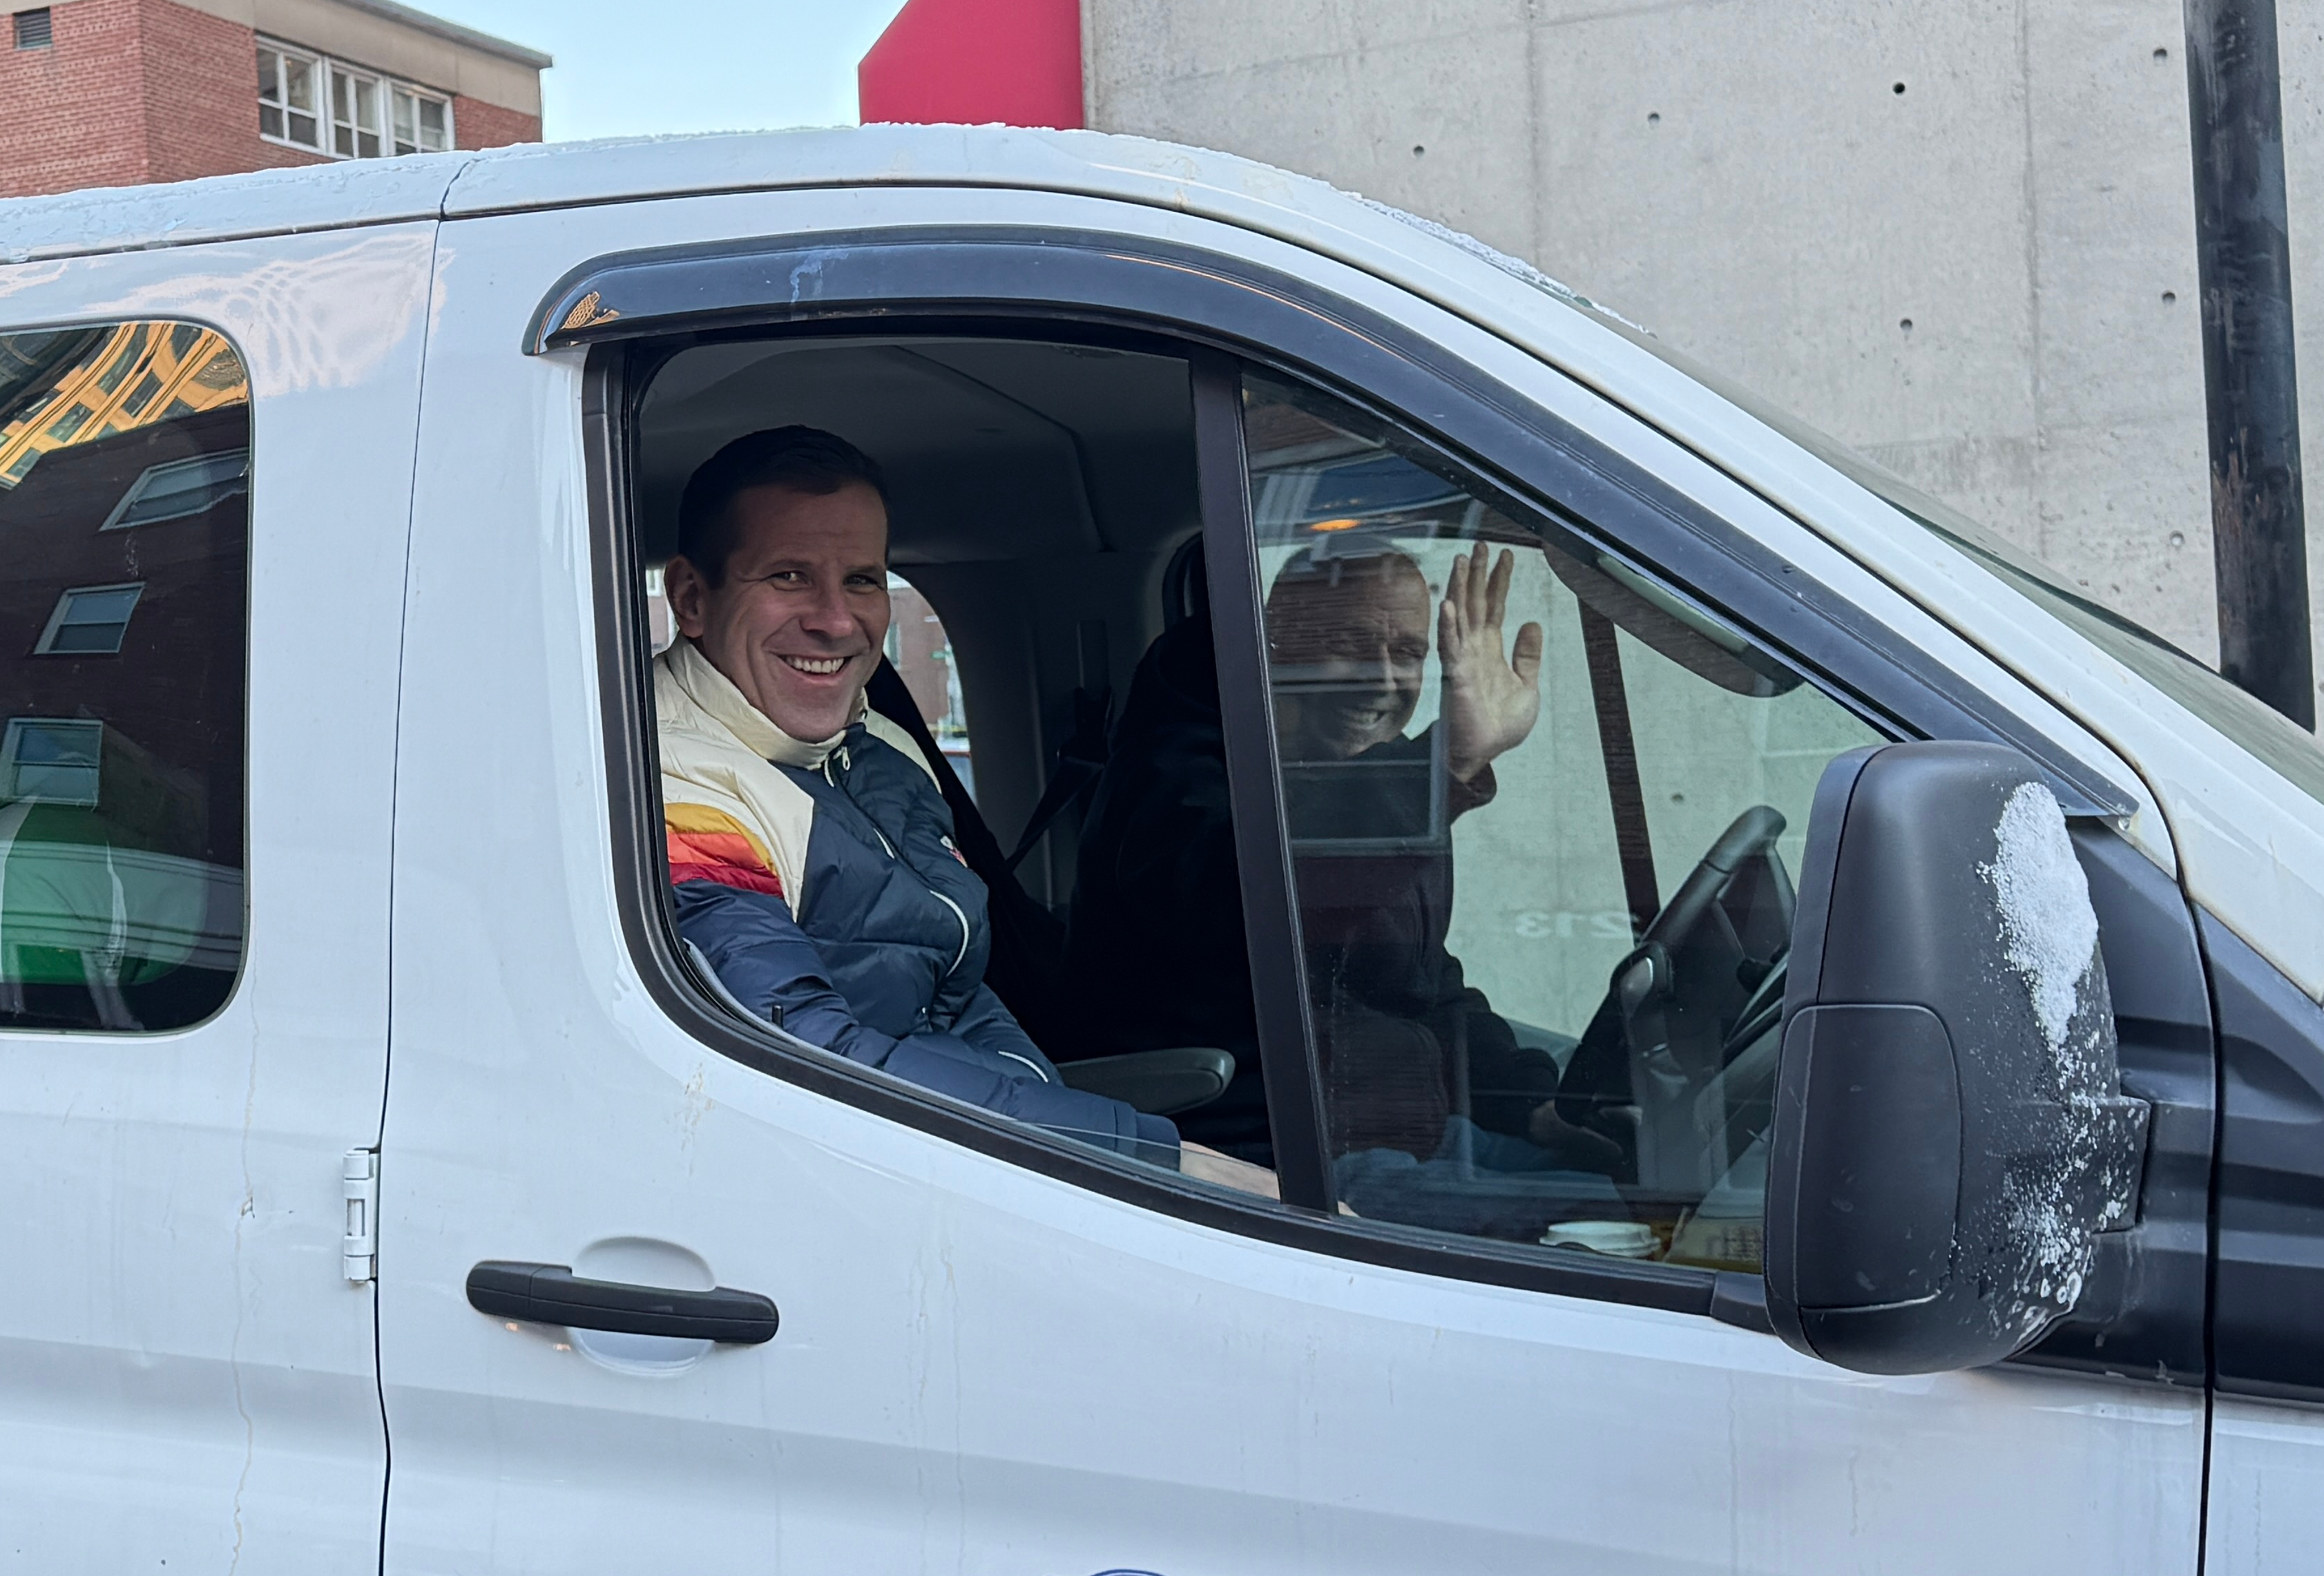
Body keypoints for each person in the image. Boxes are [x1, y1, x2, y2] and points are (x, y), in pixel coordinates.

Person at [655, 426, 1273, 1196]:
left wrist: (1063, 1114)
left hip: (959, 1154)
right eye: (788, 577)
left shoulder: (879, 743)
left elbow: (956, 991)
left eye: (862, 580)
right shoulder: (679, 785)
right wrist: (1147, 1156)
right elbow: (801, 1052)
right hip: (829, 1180)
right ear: (691, 598)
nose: (836, 621)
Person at [1262, 539, 1613, 1223]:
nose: (1381, 681)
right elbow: (1281, 908)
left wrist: (1530, 1108)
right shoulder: (1202, 779)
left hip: (1401, 1125)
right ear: (1275, 642)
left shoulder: (1370, 789)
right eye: (1347, 644)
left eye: (1409, 655)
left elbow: (1425, 988)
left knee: (1614, 1180)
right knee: (1619, 1222)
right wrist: (1444, 763)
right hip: (1296, 1158)